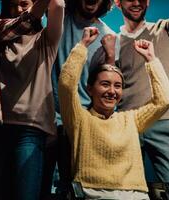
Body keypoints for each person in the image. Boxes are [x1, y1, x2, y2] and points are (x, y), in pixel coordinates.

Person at [58, 27, 169, 199]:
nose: (112, 91)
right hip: (93, 193)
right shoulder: (80, 119)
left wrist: (150, 59)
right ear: (90, 89)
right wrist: (82, 45)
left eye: (117, 86)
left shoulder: (130, 120)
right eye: (105, 84)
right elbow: (66, 84)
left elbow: (164, 100)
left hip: (135, 195)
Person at [114, 0, 169, 198]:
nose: (137, 3)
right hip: (129, 125)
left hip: (162, 123)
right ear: (118, 3)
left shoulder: (165, 29)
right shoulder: (114, 40)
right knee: (125, 193)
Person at [0, 0, 64, 199]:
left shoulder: (46, 38)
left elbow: (58, 5)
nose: (19, 9)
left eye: (24, 3)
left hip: (30, 130)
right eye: (13, 5)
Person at [48, 0, 117, 196]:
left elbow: (108, 89)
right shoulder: (58, 20)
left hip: (84, 127)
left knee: (79, 190)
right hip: (49, 122)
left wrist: (110, 57)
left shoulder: (109, 36)